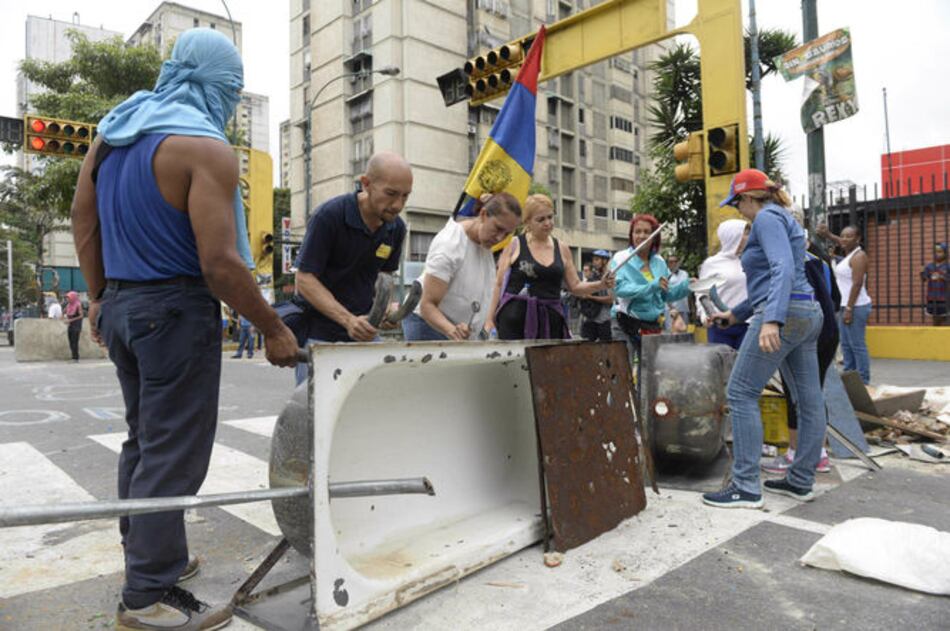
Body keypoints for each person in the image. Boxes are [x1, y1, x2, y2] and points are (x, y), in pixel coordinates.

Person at [70, 29, 299, 629]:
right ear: (216, 85)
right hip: (174, 311)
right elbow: (220, 262)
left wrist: (98, 296)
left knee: (144, 442)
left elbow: (81, 217)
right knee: (172, 454)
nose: (230, 98)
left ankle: (153, 553)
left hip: (121, 306)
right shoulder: (203, 148)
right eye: (231, 87)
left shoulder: (114, 136)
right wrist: (272, 327)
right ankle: (147, 594)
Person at [701, 169, 825, 509]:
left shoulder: (767, 218)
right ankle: (801, 481)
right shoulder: (783, 217)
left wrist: (771, 319)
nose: (738, 210)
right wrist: (736, 314)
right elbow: (777, 276)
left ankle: (745, 486)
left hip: (785, 315)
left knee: (740, 392)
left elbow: (782, 267)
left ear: (748, 197)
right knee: (809, 399)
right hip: (806, 312)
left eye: (737, 202)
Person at [292, 151, 410, 383]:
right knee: (316, 414)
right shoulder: (329, 216)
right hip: (320, 335)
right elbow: (304, 280)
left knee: (369, 407)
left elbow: (384, 277)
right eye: (390, 194)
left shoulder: (396, 228)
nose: (398, 205)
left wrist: (384, 311)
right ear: (365, 184)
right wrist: (348, 320)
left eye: (405, 196)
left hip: (364, 336)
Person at [489, 194, 611, 339]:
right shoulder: (514, 244)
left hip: (551, 322)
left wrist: (600, 284)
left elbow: (575, 286)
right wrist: (489, 319)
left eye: (550, 217)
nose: (548, 223)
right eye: (541, 219)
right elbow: (498, 284)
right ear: (527, 221)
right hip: (514, 323)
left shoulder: (562, 248)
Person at [404, 193, 521, 341]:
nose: (499, 238)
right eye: (498, 228)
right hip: (428, 325)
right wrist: (452, 330)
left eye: (507, 234)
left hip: (459, 330)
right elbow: (427, 305)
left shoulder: (484, 242)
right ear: (483, 215)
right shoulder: (450, 244)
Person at [609, 213, 688, 368]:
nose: (641, 236)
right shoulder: (621, 258)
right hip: (625, 323)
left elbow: (666, 294)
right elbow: (620, 289)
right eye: (637, 231)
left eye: (646, 232)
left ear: (654, 236)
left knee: (650, 372)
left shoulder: (659, 262)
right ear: (631, 235)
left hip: (651, 325)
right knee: (623, 371)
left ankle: (644, 394)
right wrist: (652, 286)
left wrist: (687, 287)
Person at [818, 223, 872, 384]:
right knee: (846, 345)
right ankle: (850, 377)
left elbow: (857, 284)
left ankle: (863, 380)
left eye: (850, 236)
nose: (845, 239)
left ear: (858, 239)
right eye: (843, 235)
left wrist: (849, 308)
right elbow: (841, 241)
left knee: (857, 345)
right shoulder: (849, 254)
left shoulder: (859, 257)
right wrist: (828, 235)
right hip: (845, 305)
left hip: (856, 306)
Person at [697, 219, 750, 350]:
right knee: (721, 366)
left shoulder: (750, 260)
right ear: (733, 235)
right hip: (720, 325)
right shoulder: (712, 263)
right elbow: (702, 293)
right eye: (745, 233)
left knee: (744, 368)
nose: (749, 237)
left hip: (748, 324)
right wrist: (705, 316)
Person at [580, 249, 614, 342]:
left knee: (605, 349)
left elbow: (610, 299)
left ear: (605, 261)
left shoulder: (610, 277)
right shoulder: (592, 277)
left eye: (597, 260)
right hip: (590, 319)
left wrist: (591, 297)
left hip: (604, 320)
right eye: (593, 260)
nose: (594, 262)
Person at [921, 242, 948, 326]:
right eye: (935, 251)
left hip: (945, 298)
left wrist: (942, 277)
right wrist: (922, 272)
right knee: (935, 322)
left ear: (945, 253)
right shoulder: (929, 266)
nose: (937, 254)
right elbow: (924, 279)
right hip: (932, 298)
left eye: (940, 251)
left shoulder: (948, 266)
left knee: (946, 322)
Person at [663, 253, 691, 332]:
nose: (673, 263)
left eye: (674, 261)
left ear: (678, 262)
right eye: (670, 262)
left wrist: (691, 309)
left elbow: (688, 290)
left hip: (684, 308)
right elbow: (664, 292)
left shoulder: (685, 274)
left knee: (684, 332)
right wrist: (671, 307)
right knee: (672, 332)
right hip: (670, 310)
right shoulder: (665, 274)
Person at [64, 291, 84, 361]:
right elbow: (65, 313)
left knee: (74, 341)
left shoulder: (78, 305)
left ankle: (75, 357)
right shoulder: (68, 305)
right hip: (70, 325)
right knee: (70, 341)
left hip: (76, 325)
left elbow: (81, 316)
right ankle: (73, 356)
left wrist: (71, 320)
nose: (67, 299)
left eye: (68, 298)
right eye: (67, 298)